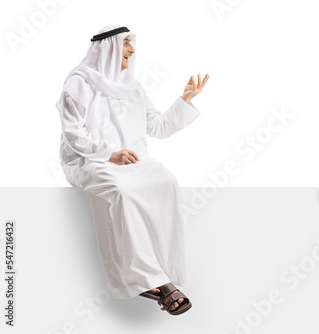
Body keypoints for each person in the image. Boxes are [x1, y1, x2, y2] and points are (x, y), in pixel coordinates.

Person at [56, 25, 209, 314]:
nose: (132, 50)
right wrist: (108, 154)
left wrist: (184, 100)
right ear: (108, 47)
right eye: (126, 43)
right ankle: (152, 282)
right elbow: (72, 135)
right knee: (123, 192)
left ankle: (163, 268)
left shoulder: (133, 87)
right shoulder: (78, 83)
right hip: (92, 160)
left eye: (132, 43)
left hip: (132, 159)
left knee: (166, 182)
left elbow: (157, 127)